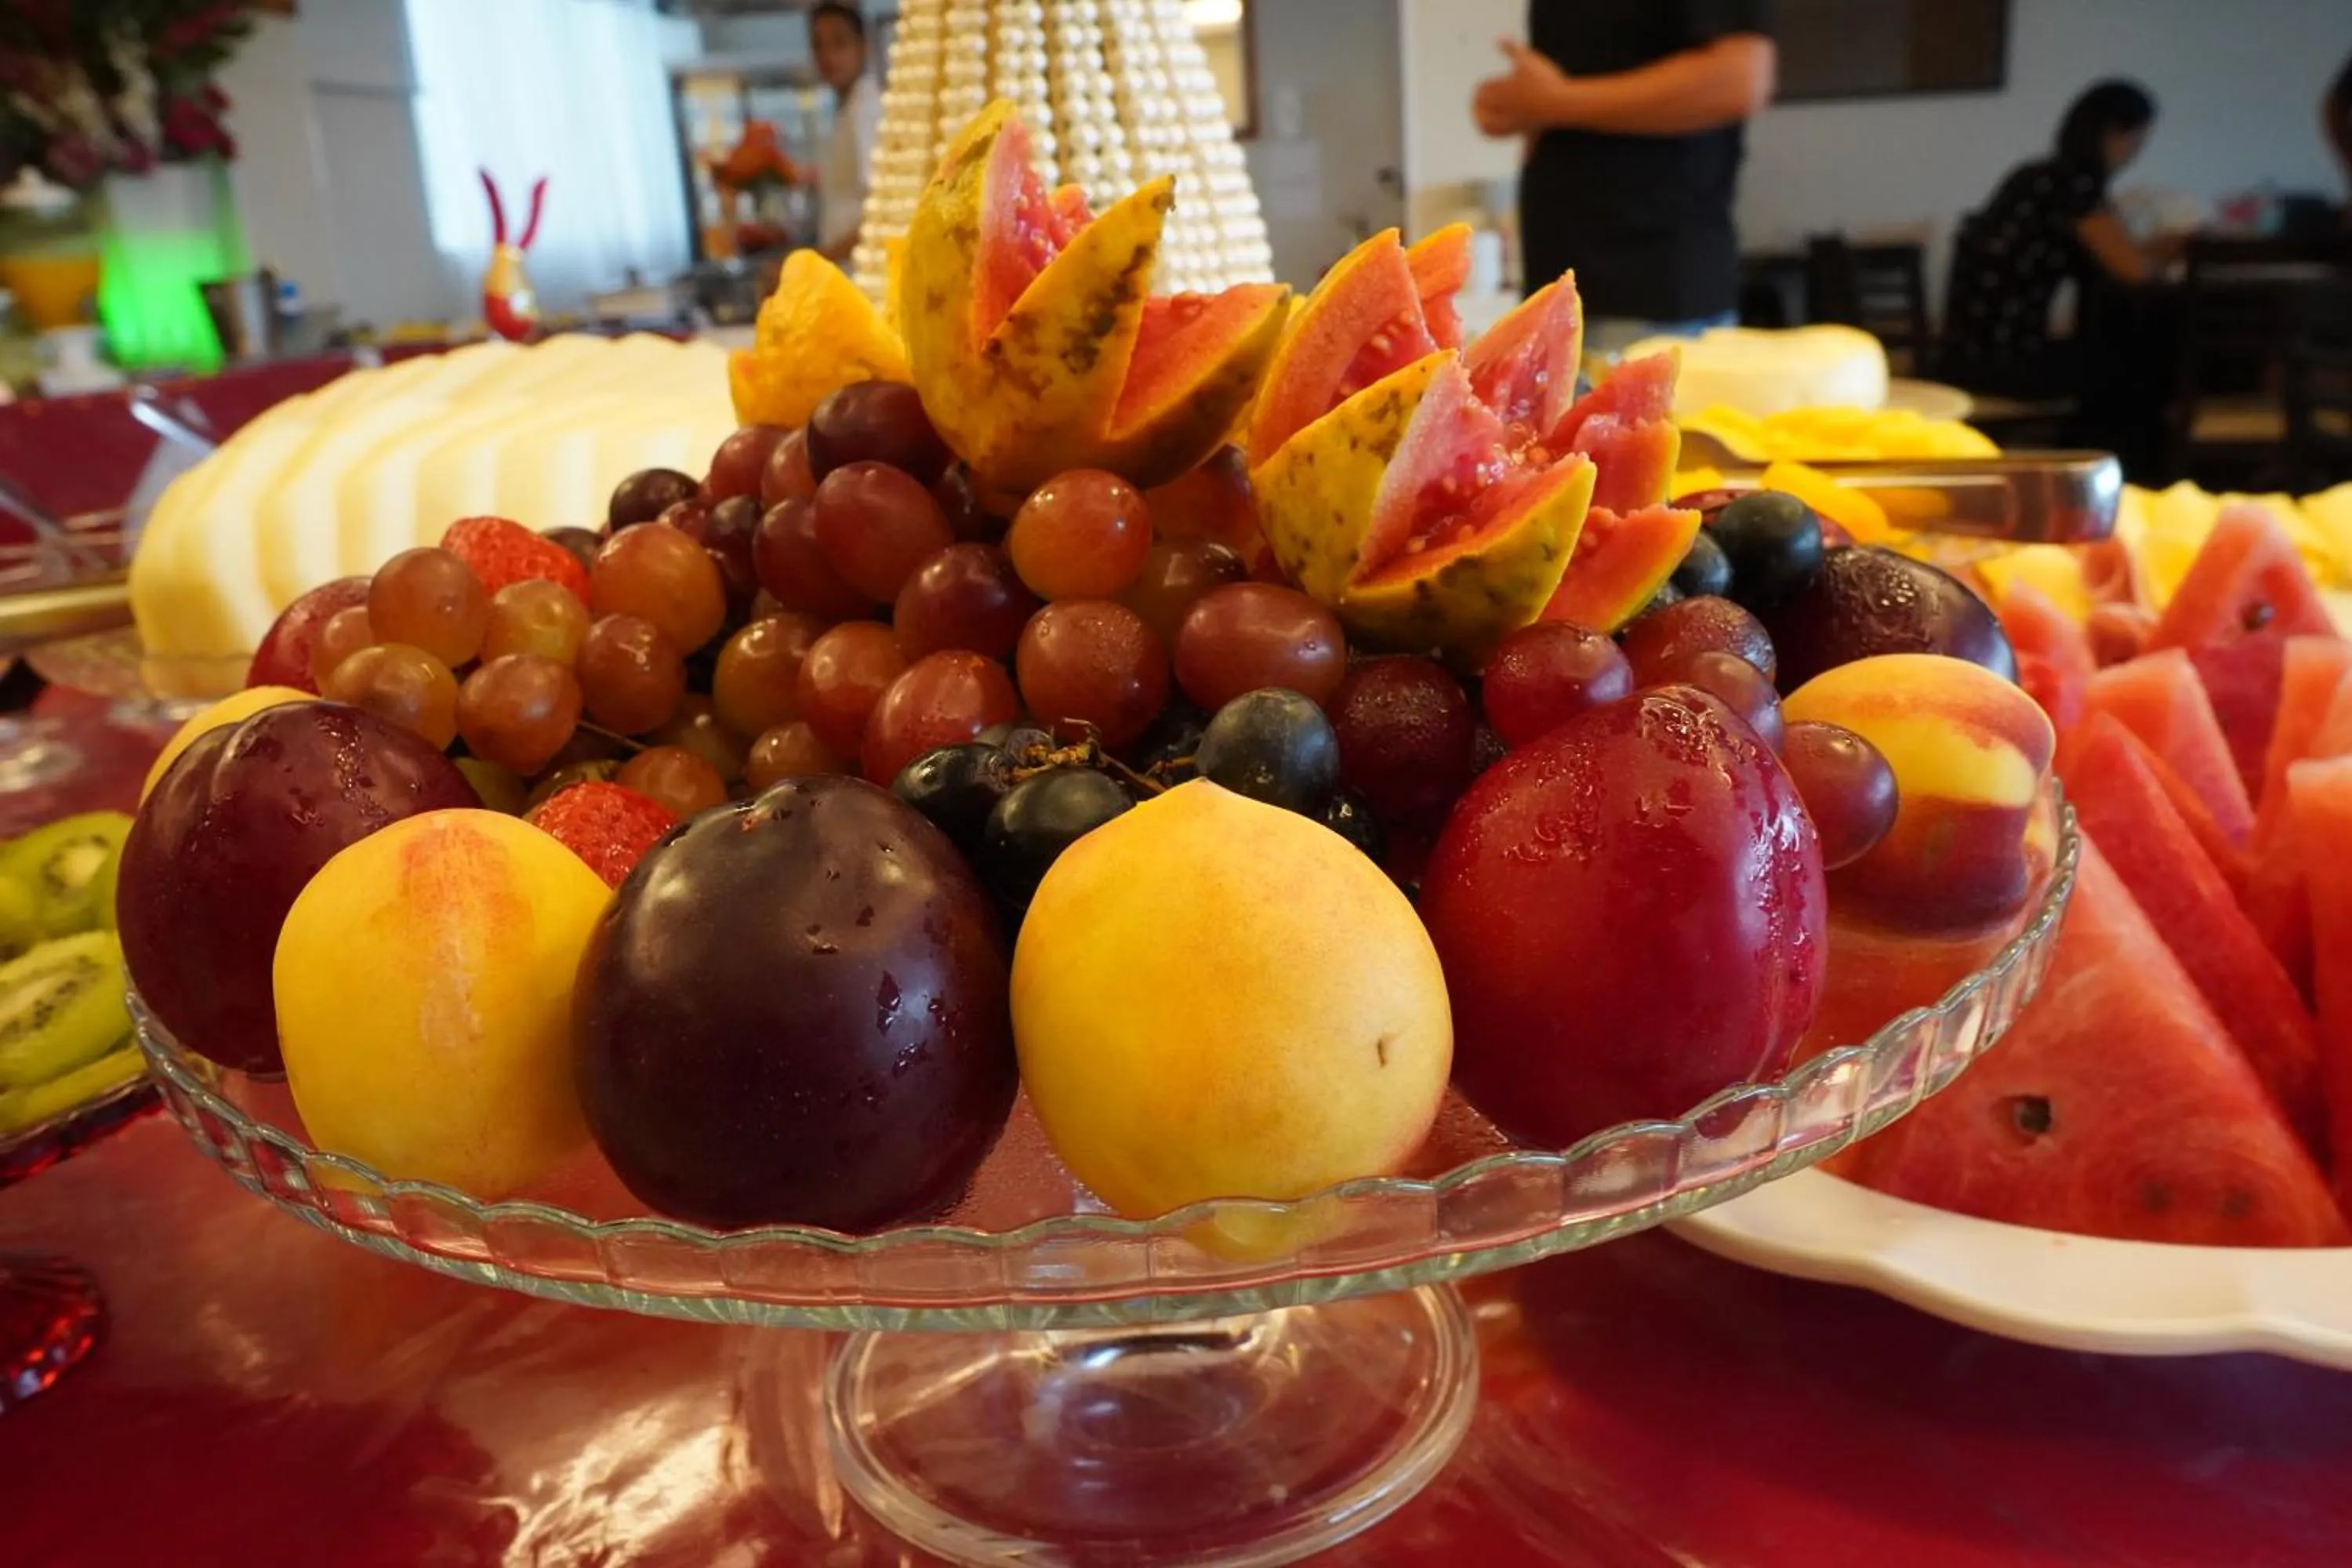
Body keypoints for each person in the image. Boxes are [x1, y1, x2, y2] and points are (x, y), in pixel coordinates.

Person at [1472, 2, 1776, 360]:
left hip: (1652, 297)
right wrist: (1518, 107)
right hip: (1564, 294)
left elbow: (1739, 78)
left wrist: (1555, 103)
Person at [1939, 80, 2170, 397]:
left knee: (2124, 360)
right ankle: (2108, 445)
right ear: (2114, 134)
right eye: (2137, 143)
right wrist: (2170, 256)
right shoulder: (2075, 185)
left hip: (1967, 354)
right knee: (2142, 368)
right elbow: (2133, 271)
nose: (2134, 156)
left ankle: (2085, 441)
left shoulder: (2035, 177)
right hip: (2004, 360)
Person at [810, 2, 882, 264]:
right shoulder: (846, 110)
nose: (828, 56)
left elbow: (882, 214)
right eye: (819, 45)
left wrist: (820, 260)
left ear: (863, 47)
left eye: (839, 43)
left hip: (864, 274)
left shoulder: (866, 111)